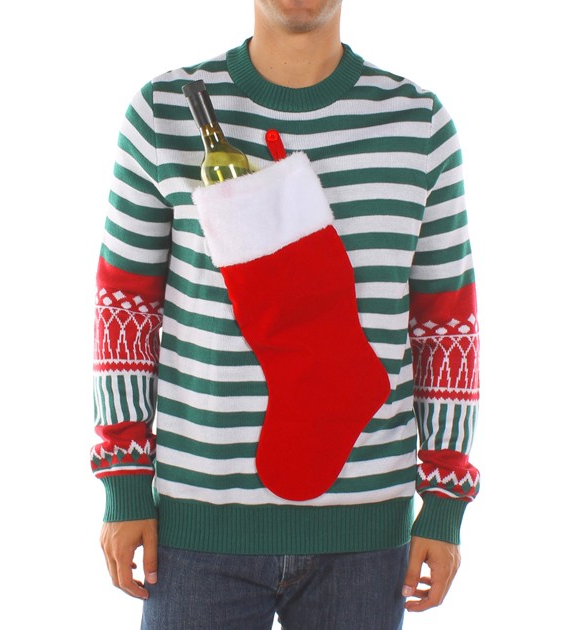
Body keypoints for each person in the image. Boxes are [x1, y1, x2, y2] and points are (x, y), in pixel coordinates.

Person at [92, 1, 480, 628]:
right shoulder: (162, 112)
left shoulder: (418, 123)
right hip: (192, 526)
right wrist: (124, 475)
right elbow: (126, 308)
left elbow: (445, 322)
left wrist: (445, 495)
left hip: (367, 533)